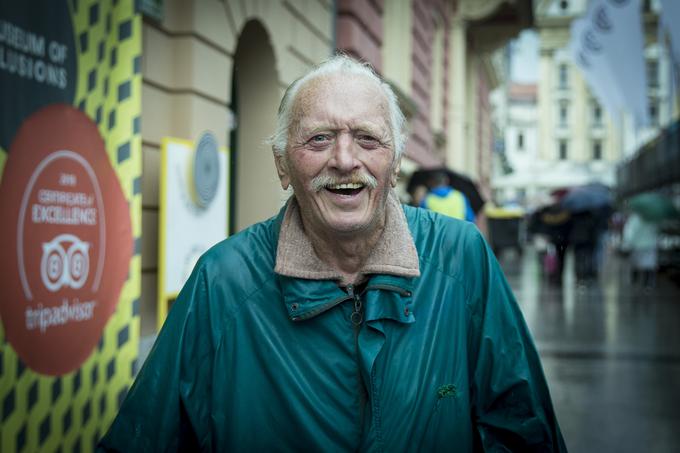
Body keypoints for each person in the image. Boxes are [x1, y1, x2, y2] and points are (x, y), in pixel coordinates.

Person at [98, 55, 566, 451]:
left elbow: (522, 428)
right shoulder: (224, 281)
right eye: (318, 138)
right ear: (282, 165)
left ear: (396, 162)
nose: (345, 159)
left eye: (368, 138)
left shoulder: (460, 260)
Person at [622, 212, 658, 290]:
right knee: (649, 264)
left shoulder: (634, 219)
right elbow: (656, 231)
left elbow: (629, 232)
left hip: (637, 245)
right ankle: (648, 283)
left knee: (635, 263)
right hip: (649, 244)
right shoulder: (652, 219)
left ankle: (634, 279)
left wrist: (627, 244)